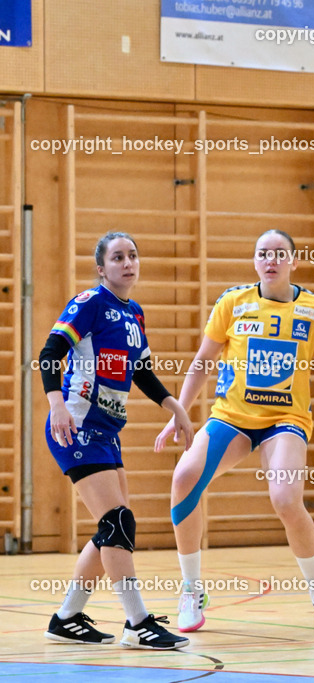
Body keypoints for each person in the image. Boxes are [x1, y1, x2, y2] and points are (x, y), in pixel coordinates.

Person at [155, 229, 314, 632]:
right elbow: (202, 361)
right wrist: (178, 412)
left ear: (293, 262)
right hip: (231, 418)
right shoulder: (233, 303)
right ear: (255, 262)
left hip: (285, 422)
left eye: (279, 254)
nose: (271, 260)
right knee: (183, 478)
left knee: (286, 499)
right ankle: (191, 590)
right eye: (263, 254)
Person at [40, 232, 193, 650]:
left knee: (114, 526)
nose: (128, 263)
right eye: (118, 257)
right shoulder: (90, 304)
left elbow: (140, 372)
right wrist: (56, 404)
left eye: (133, 256)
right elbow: (51, 352)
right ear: (101, 268)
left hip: (107, 430)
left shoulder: (134, 313)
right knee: (117, 522)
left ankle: (67, 616)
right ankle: (137, 622)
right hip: (76, 425)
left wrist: (174, 406)